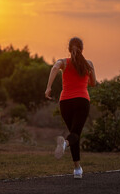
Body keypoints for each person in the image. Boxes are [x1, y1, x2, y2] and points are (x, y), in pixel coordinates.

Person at [45, 37, 96, 179]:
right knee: (75, 134)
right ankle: (65, 144)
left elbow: (55, 67)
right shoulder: (88, 64)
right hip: (82, 101)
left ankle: (77, 169)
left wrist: (48, 88)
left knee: (74, 133)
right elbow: (93, 83)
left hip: (65, 102)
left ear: (68, 49)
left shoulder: (64, 62)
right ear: (82, 49)